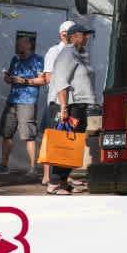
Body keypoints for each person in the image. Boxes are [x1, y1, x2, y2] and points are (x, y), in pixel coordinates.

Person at [47, 23, 97, 195]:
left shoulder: (81, 54)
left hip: (81, 105)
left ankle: (63, 181)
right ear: (74, 36)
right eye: (85, 34)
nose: (87, 37)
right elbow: (61, 80)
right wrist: (64, 107)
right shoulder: (67, 53)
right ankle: (54, 184)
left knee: (74, 145)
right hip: (70, 105)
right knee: (65, 144)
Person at [0, 36, 44, 177]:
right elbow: (9, 77)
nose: (17, 46)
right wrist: (8, 78)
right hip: (12, 100)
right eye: (17, 44)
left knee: (29, 135)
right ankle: (3, 165)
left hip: (27, 101)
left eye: (20, 44)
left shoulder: (38, 59)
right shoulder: (15, 59)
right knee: (6, 134)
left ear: (28, 45)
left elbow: (42, 80)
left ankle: (33, 168)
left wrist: (24, 80)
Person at [37, 20, 74, 186]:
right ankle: (47, 175)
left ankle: (64, 175)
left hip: (72, 101)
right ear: (63, 34)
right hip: (57, 101)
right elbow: (49, 77)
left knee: (67, 139)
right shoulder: (54, 51)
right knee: (51, 137)